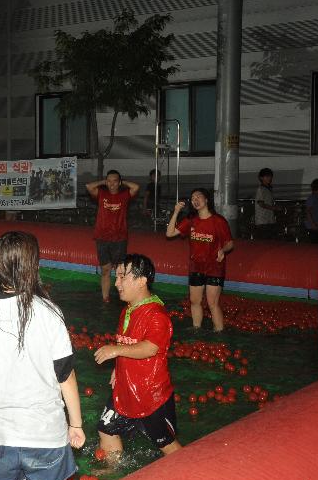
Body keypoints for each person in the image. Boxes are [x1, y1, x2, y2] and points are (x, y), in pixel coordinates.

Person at [0, 231, 86, 480]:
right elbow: (66, 376)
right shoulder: (49, 312)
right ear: (33, 267)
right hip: (45, 434)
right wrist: (76, 424)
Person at [93, 253, 182, 465]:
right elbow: (127, 343)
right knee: (106, 429)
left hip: (151, 397)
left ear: (142, 280)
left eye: (123, 277)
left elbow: (151, 348)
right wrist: (118, 368)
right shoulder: (128, 311)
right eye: (117, 277)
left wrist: (115, 351)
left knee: (168, 447)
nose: (117, 283)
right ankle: (115, 473)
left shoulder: (156, 315)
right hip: (125, 391)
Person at [166, 188, 234, 332]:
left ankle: (219, 332)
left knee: (212, 303)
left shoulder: (218, 221)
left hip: (215, 267)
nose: (195, 200)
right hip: (196, 267)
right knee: (195, 301)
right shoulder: (191, 221)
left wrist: (223, 250)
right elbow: (169, 233)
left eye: (198, 197)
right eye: (192, 198)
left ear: (207, 200)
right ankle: (197, 329)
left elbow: (230, 243)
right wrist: (176, 211)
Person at [86, 170, 140, 302]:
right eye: (109, 181)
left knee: (121, 270)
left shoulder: (124, 195)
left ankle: (124, 295)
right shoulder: (101, 194)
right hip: (102, 237)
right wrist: (103, 182)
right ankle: (105, 298)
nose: (112, 184)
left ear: (119, 182)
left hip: (119, 238)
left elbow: (136, 187)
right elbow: (89, 186)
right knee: (105, 269)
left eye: (115, 181)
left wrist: (122, 183)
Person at [254, 168, 279, 240]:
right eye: (267, 176)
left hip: (269, 220)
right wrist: (275, 208)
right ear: (261, 178)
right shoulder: (261, 189)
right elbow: (261, 204)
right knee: (264, 242)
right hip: (262, 221)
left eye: (270, 176)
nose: (269, 178)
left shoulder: (268, 189)